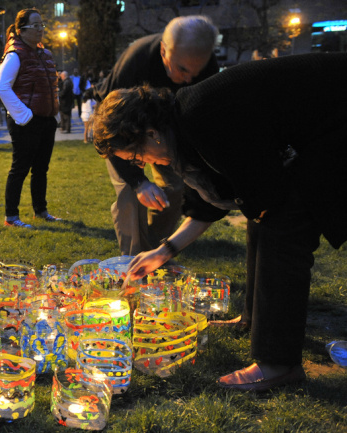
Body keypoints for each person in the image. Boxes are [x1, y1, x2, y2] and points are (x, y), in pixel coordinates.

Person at [92, 52, 347, 392]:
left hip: (335, 125)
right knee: (263, 219)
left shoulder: (202, 117)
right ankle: (254, 321)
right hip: (322, 126)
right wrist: (163, 252)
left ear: (150, 133)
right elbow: (207, 204)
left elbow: (266, 195)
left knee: (281, 228)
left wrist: (262, 208)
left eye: (136, 158)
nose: (141, 165)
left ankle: (277, 363)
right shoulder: (183, 127)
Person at [95, 15, 220, 257]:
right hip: (121, 132)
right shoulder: (136, 61)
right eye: (182, 69)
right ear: (164, 50)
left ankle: (154, 250)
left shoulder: (204, 63)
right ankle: (131, 259)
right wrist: (138, 181)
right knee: (129, 195)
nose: (188, 79)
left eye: (196, 72)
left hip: (165, 133)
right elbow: (113, 132)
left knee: (173, 187)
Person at [0, 8, 60, 229]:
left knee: (41, 168)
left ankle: (40, 211)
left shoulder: (44, 53)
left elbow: (50, 86)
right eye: (36, 26)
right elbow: (2, 87)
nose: (41, 29)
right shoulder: (15, 54)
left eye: (42, 25)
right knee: (20, 168)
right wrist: (24, 115)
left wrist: (54, 114)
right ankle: (11, 216)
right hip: (26, 121)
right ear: (22, 30)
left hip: (46, 120)